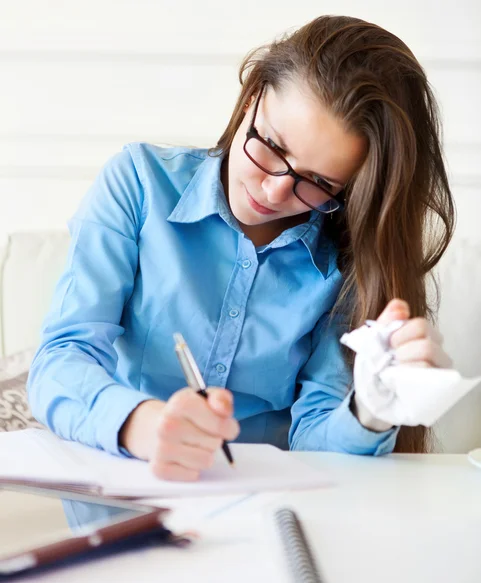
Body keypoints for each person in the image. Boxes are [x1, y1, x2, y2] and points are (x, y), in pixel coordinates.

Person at [28, 15, 455, 482]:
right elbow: (62, 358)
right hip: (130, 486)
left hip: (271, 508)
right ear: (252, 97)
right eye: (270, 145)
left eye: (317, 182)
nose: (273, 191)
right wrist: (140, 425)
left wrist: (371, 411)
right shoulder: (138, 183)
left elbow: (315, 438)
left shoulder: (345, 263)